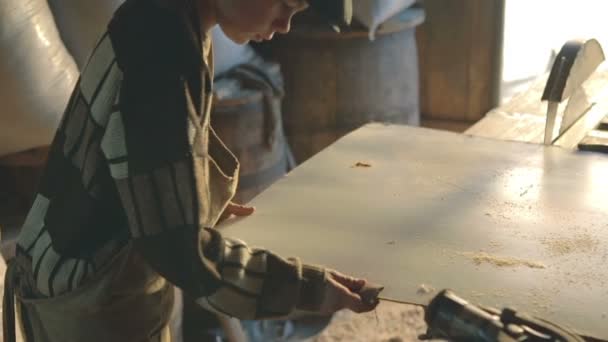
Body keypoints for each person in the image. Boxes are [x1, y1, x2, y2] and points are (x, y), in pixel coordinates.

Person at [2, 0, 381, 341]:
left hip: (80, 263)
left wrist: (186, 191)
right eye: (285, 3)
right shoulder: (165, 52)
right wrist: (308, 288)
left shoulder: (166, 17)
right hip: (89, 293)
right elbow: (181, 250)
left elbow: (131, 150)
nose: (284, 25)